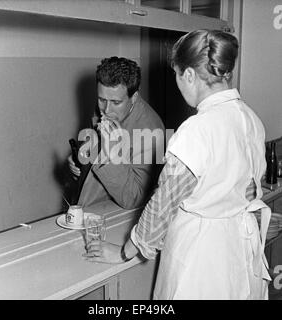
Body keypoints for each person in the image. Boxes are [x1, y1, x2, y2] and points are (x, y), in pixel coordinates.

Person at [85, 30, 272, 300]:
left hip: (202, 261)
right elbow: (250, 189)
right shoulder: (250, 118)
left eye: (176, 75)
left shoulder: (197, 130)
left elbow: (163, 203)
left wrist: (125, 251)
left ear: (189, 75)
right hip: (240, 253)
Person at [68, 57, 165, 210]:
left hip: (111, 219)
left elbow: (134, 198)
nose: (106, 110)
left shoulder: (151, 131)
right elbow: (93, 148)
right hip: (84, 205)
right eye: (101, 99)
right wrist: (79, 161)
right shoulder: (108, 104)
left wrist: (111, 152)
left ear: (134, 97)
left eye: (116, 102)